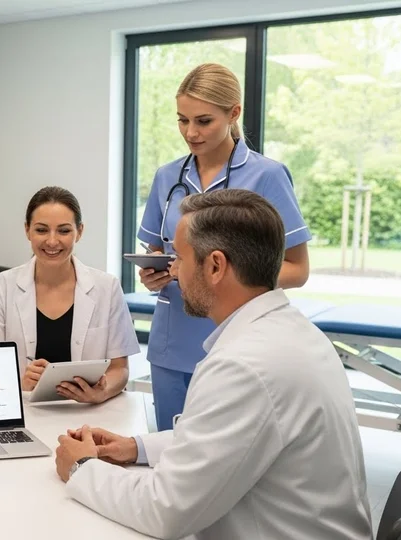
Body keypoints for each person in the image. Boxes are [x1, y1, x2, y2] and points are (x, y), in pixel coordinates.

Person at [54, 189, 372, 540]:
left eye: (179, 258)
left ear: (216, 266)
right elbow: (226, 439)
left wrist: (81, 467)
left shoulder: (244, 366)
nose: (172, 269)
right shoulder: (293, 333)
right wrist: (137, 448)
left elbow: (166, 511)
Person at [137, 63, 311, 430]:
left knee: (228, 464)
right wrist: (154, 270)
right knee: (168, 455)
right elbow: (157, 250)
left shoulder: (267, 176)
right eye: (182, 120)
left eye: (203, 121)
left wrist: (224, 275)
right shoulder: (167, 177)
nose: (190, 132)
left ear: (233, 113)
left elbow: (297, 269)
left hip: (238, 342)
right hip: (171, 341)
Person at [0, 186, 140, 404]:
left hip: (87, 414)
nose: (51, 241)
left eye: (64, 231)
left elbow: (120, 369)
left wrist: (101, 393)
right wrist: (18, 382)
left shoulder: (107, 287)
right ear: (27, 230)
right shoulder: (3, 286)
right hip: (23, 408)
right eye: (41, 230)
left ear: (80, 231)